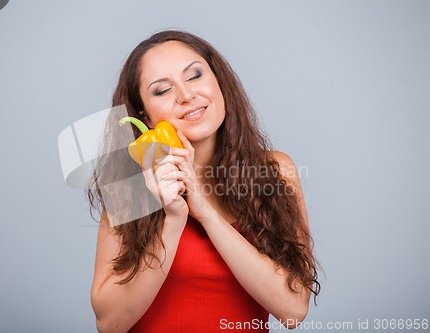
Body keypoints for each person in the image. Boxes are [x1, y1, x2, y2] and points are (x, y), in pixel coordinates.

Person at [87, 30, 320, 333]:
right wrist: (173, 219)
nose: (186, 95)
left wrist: (206, 213)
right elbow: (110, 324)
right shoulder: (130, 188)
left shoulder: (274, 170)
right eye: (162, 90)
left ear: (218, 80)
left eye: (195, 75)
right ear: (144, 114)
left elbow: (292, 310)